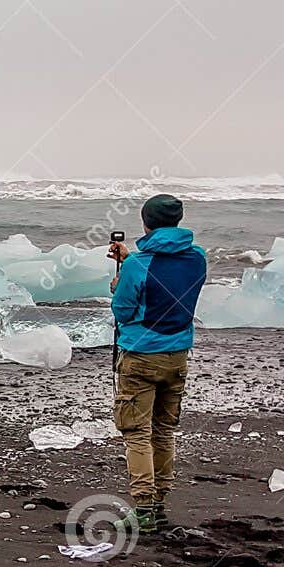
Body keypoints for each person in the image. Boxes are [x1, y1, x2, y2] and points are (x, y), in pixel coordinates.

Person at [108, 194, 208, 535]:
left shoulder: (138, 265)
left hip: (140, 356)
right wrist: (131, 260)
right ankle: (160, 504)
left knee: (137, 433)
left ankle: (144, 509)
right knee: (164, 431)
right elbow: (168, 284)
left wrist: (120, 281)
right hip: (178, 354)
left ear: (145, 222)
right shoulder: (198, 258)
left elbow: (122, 311)